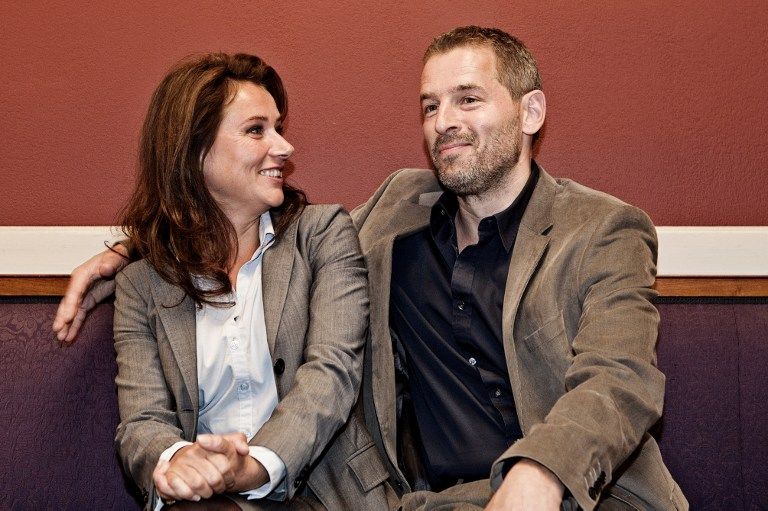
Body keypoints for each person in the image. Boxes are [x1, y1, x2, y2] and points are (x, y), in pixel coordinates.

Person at [54, 28, 688, 510]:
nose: (445, 124)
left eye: (468, 99)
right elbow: (251, 230)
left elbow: (619, 381)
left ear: (530, 114)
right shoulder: (392, 214)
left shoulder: (603, 228)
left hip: (582, 497)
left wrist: (542, 472)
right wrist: (131, 251)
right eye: (430, 106)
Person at [93, 53, 392, 510]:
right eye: (257, 130)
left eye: (279, 128)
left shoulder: (322, 236)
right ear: (194, 152)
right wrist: (180, 461)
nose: (285, 147)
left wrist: (252, 467)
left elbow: (332, 374)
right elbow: (143, 422)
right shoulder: (142, 285)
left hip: (330, 496)